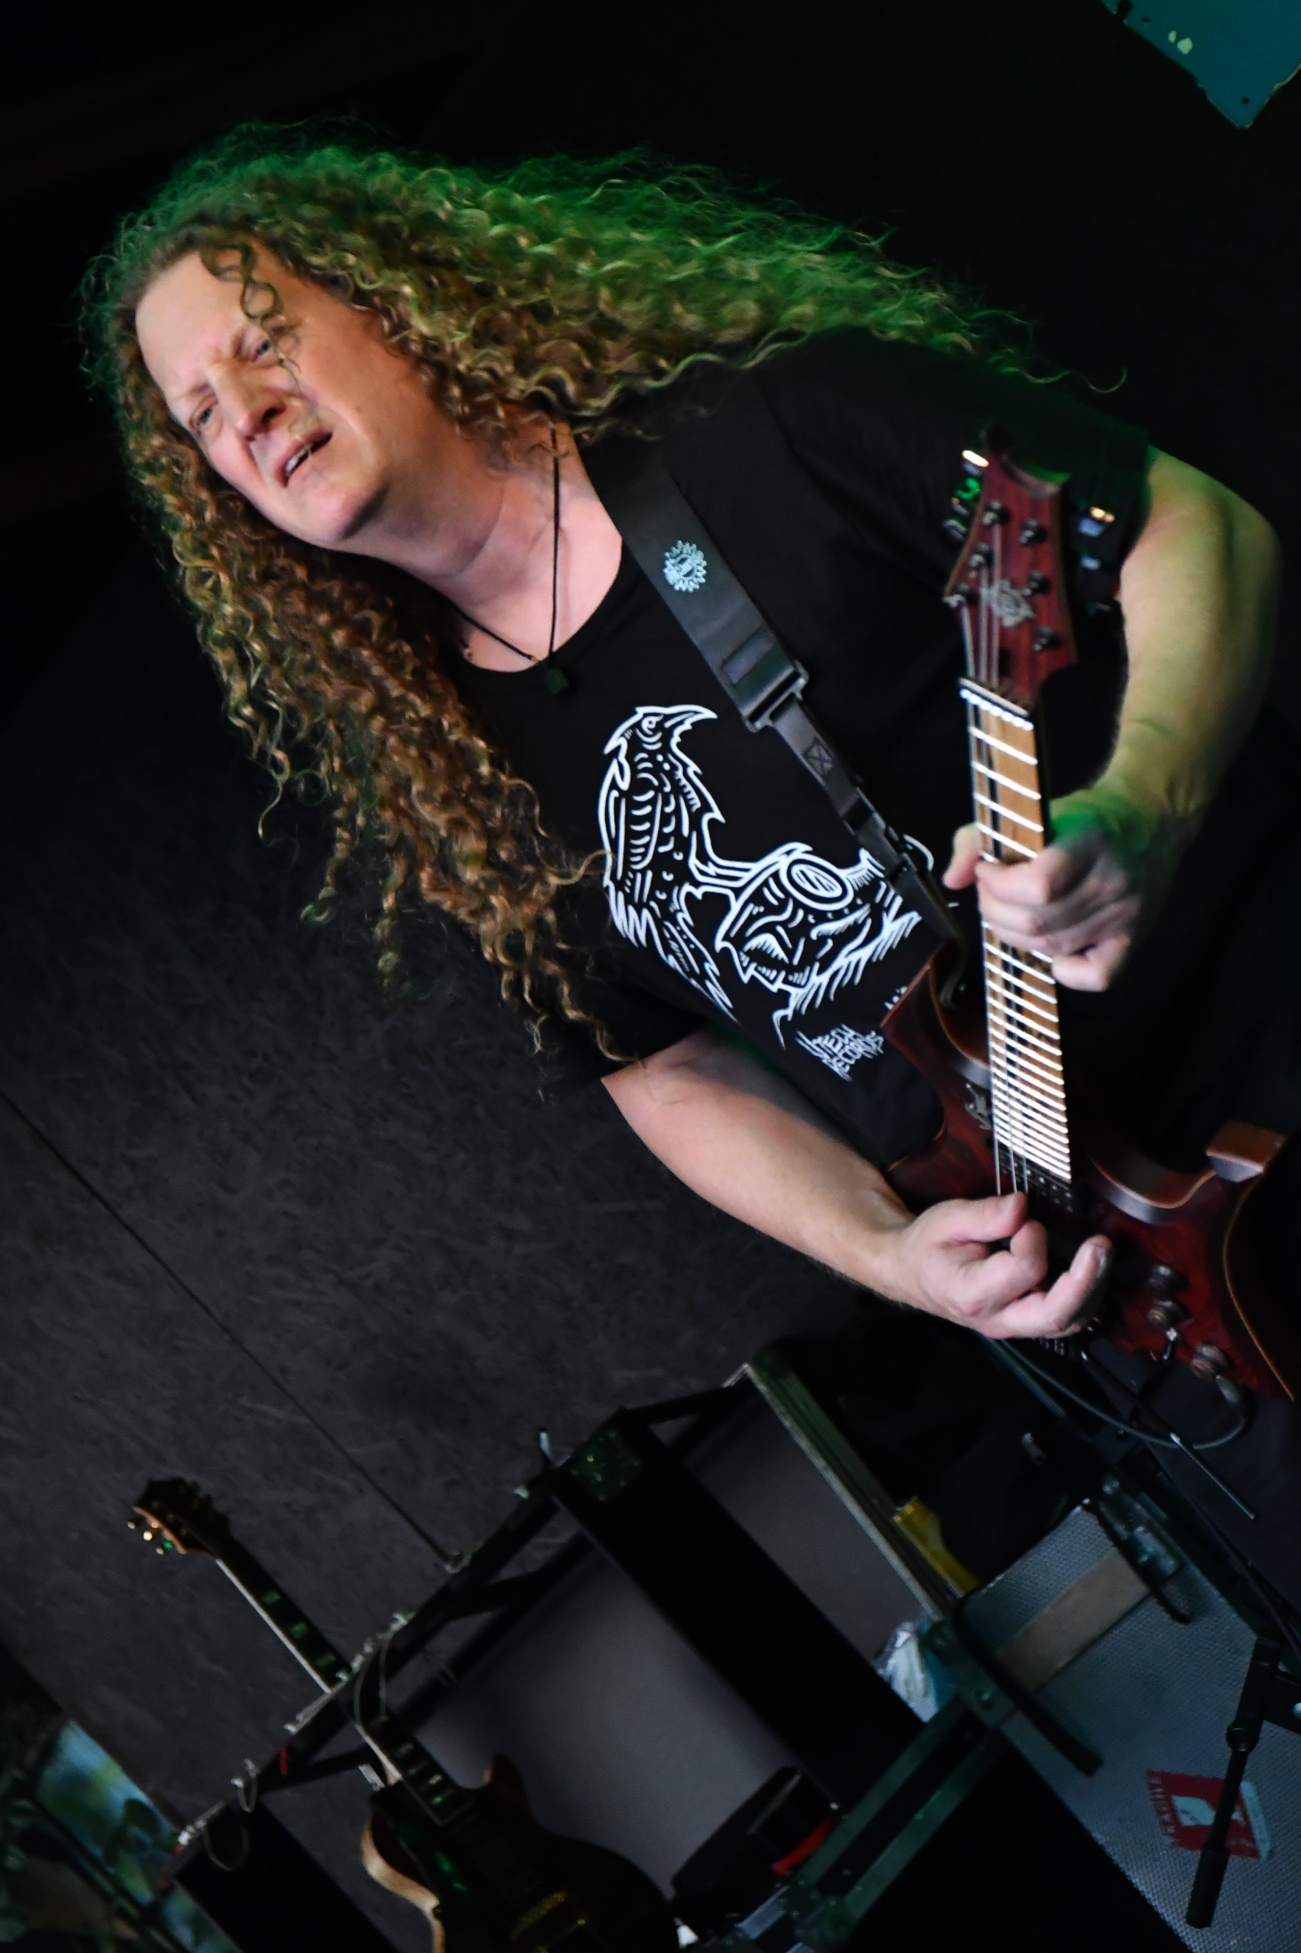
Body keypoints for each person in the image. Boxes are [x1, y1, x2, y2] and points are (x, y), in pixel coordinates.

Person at [88, 130, 1300, 1611]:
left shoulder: (766, 426)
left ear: (391, 299)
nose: (249, 414)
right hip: (1139, 1302)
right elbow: (658, 1070)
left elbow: (1188, 524)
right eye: (201, 415)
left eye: (263, 339)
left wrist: (1145, 802)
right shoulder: (451, 770)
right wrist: (893, 1254)